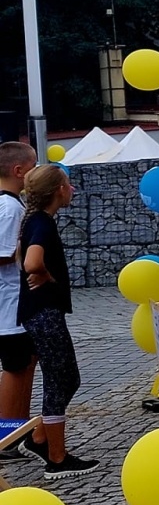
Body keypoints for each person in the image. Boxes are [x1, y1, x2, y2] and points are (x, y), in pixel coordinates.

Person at [16, 163, 95, 476]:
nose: (72, 189)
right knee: (58, 381)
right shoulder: (42, 224)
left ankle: (40, 438)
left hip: (42, 312)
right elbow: (31, 262)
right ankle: (57, 458)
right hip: (44, 313)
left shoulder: (37, 220)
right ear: (57, 191)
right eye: (67, 184)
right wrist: (45, 273)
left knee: (66, 379)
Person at [0, 140, 36, 461]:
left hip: (15, 305)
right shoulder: (9, 208)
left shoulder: (11, 205)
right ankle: (6, 435)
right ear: (18, 171)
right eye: (33, 167)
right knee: (15, 368)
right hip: (9, 306)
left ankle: (18, 428)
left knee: (25, 364)